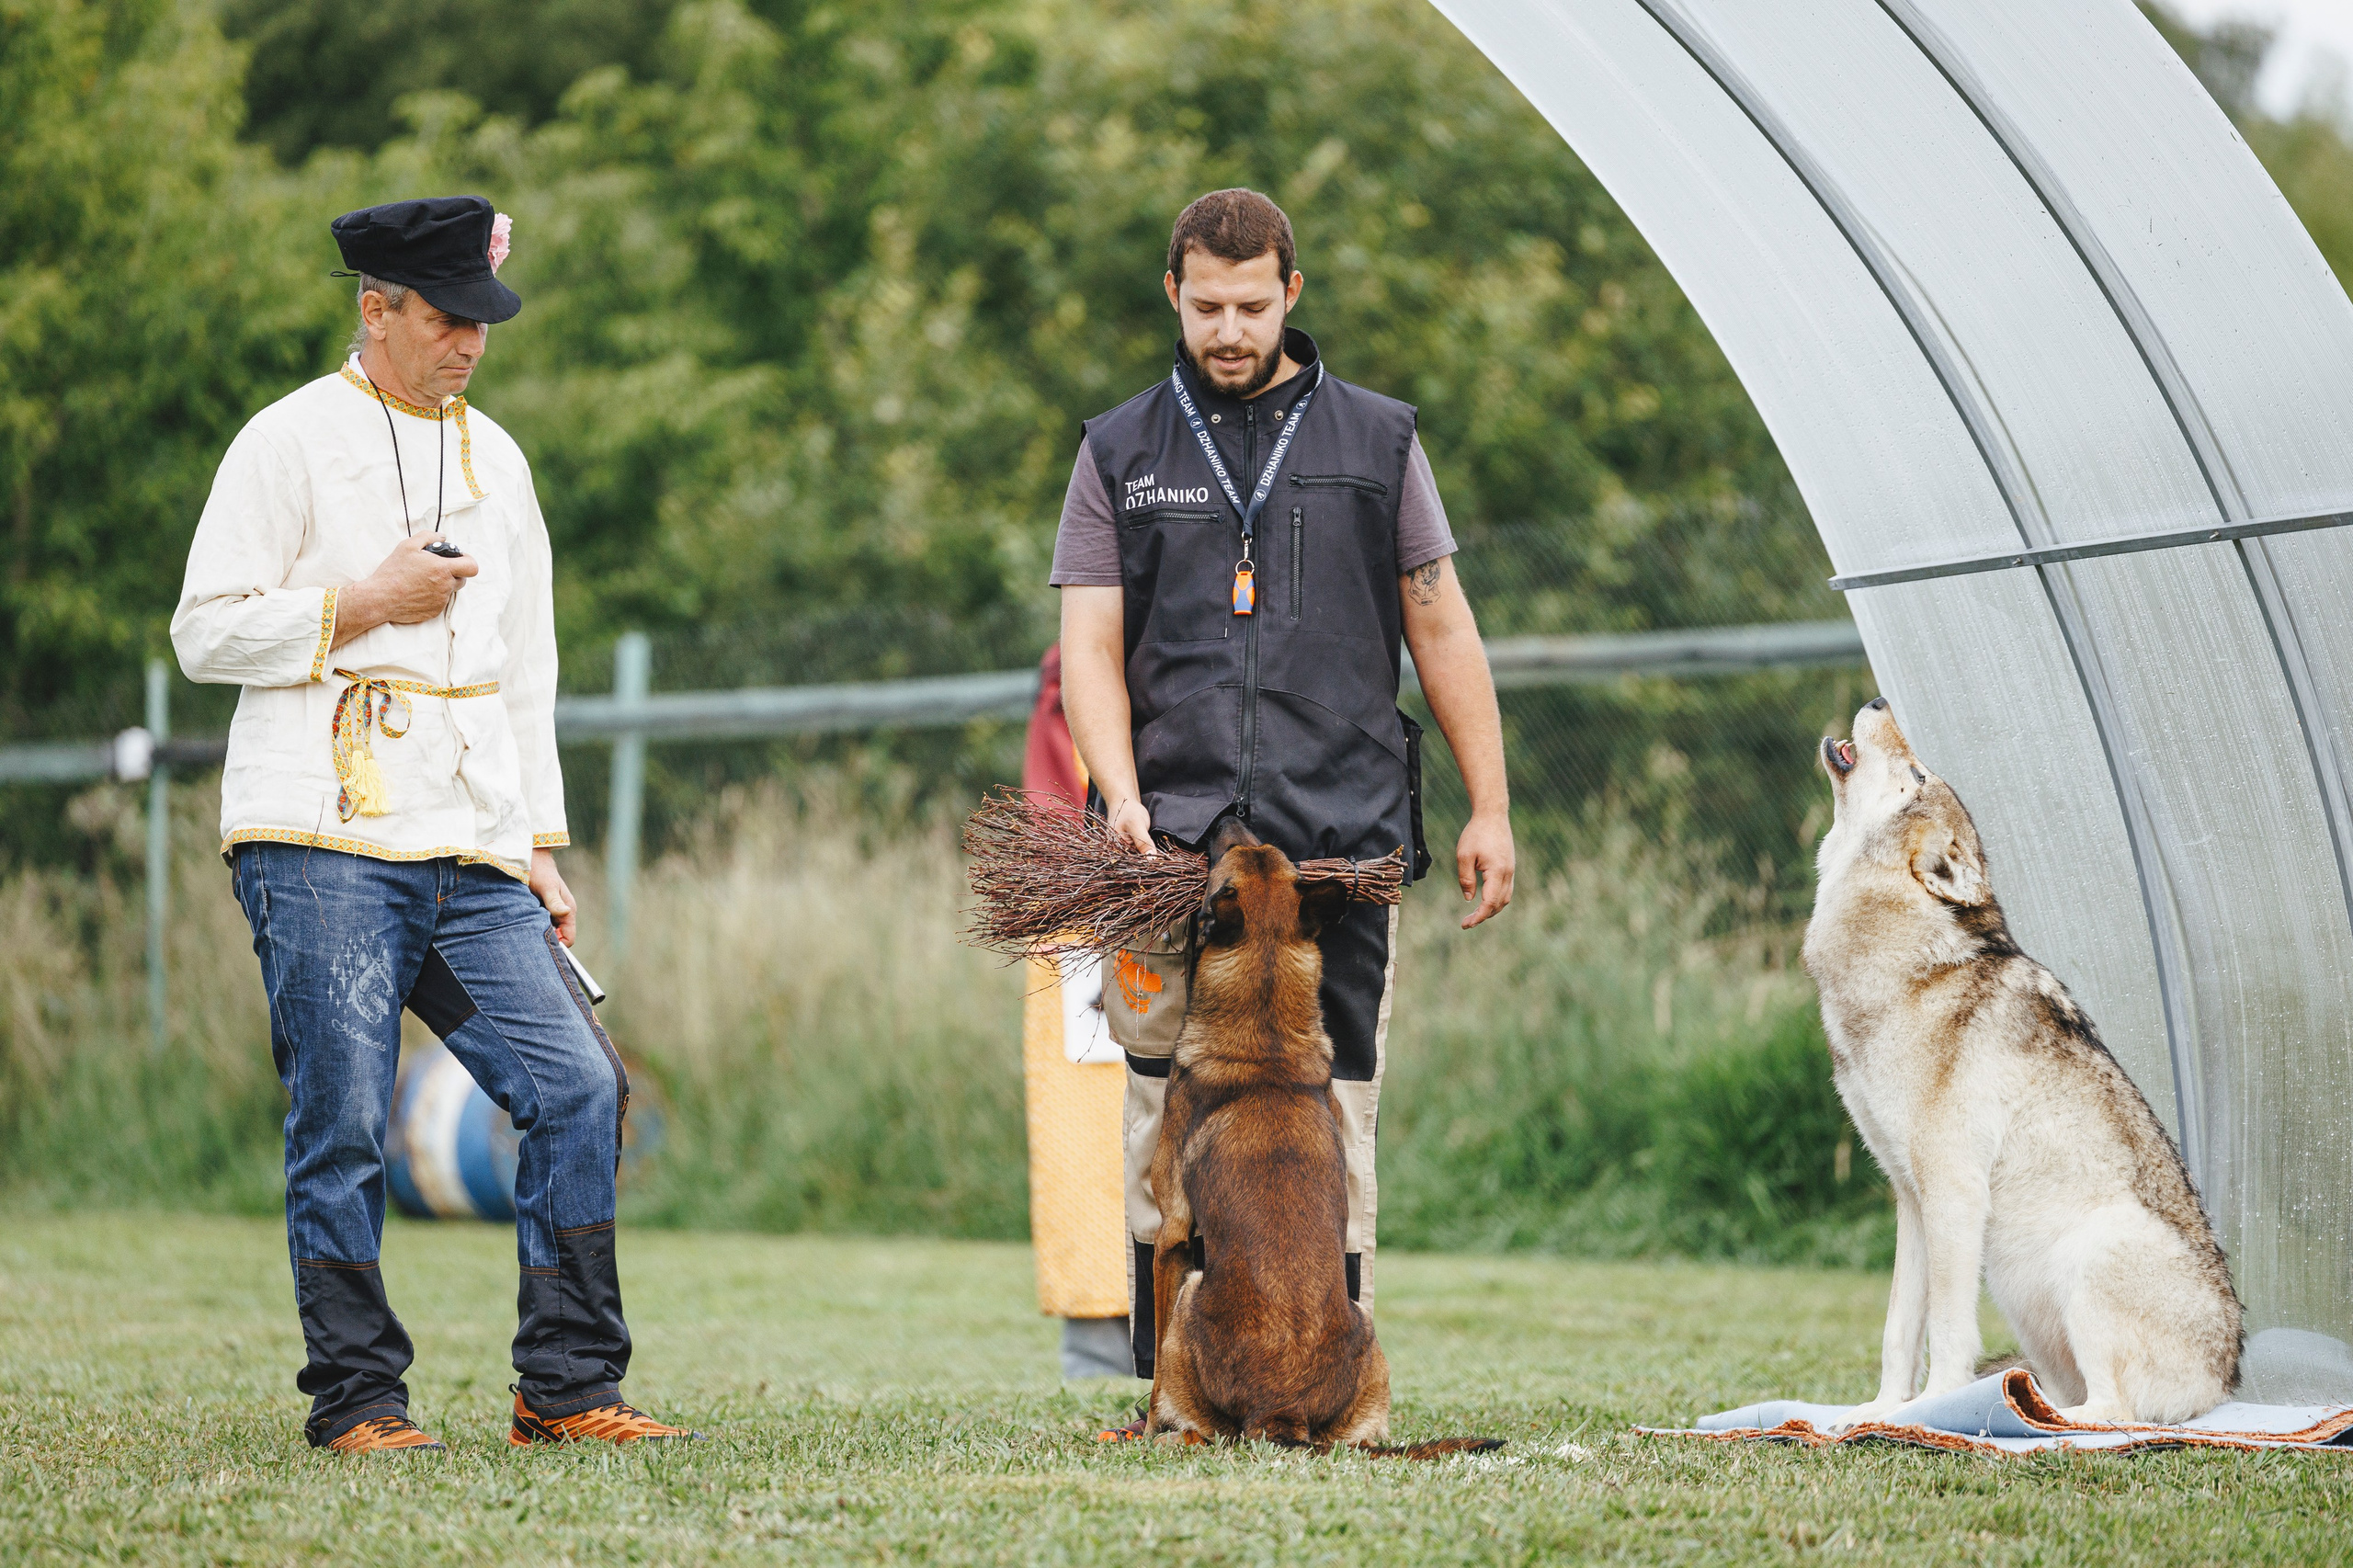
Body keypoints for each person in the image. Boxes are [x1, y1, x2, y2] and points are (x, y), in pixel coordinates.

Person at [172, 196, 696, 1454]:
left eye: (482, 320)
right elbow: (202, 631)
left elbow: (528, 668)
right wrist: (363, 601)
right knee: (343, 1117)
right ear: (377, 309)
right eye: (446, 318)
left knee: (579, 1085)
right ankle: (357, 1399)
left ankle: (564, 1388)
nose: (469, 341)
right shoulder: (284, 442)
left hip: (468, 843)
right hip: (317, 834)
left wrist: (537, 841)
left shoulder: (500, 460)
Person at [1052, 188, 1514, 1393]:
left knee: (1337, 1111)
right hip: (1172, 849)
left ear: (1292, 294)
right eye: (1207, 305)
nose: (1229, 330)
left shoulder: (1379, 441)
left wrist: (1491, 803)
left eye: (1253, 306)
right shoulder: (1117, 449)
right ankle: (1170, 1381)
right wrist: (1120, 790)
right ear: (1173, 294)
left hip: (1343, 836)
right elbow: (1092, 643)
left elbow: (1440, 622)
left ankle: (1325, 1367)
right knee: (1160, 1108)